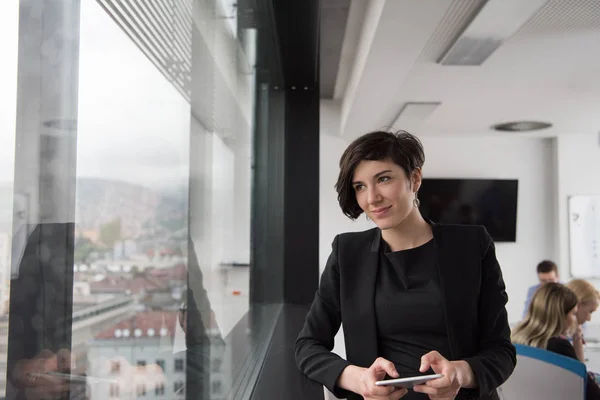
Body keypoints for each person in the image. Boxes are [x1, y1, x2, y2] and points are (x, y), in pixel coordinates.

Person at [295, 131, 516, 400]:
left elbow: (501, 351)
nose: (372, 197)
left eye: (383, 179)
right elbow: (308, 346)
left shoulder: (472, 246)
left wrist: (460, 373)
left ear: (415, 178)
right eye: (360, 186)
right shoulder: (347, 253)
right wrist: (357, 379)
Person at [512, 282, 600, 399]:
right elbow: (591, 392)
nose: (574, 320)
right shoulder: (559, 346)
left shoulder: (515, 339)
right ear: (560, 314)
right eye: (573, 313)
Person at [566, 279, 600, 348]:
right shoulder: (558, 341)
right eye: (590, 312)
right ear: (578, 305)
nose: (589, 319)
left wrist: (577, 336)